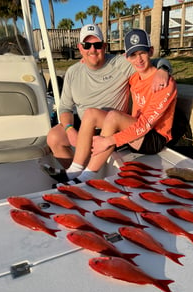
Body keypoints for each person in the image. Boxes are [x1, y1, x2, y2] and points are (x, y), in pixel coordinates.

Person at [50, 28, 177, 187]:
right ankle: (74, 171)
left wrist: (163, 69)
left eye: (96, 45)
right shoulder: (135, 77)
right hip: (133, 128)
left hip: (151, 137)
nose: (138, 59)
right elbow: (65, 108)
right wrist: (70, 129)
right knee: (90, 113)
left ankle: (85, 178)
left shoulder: (164, 83)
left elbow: (144, 125)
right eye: (87, 46)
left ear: (104, 46)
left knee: (114, 116)